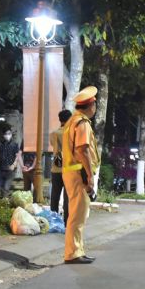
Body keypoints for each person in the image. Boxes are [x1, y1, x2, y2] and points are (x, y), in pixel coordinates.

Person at [61, 86, 100, 264]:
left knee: (77, 213)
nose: (95, 108)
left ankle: (77, 250)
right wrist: (90, 176)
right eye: (95, 105)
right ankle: (73, 253)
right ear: (90, 105)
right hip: (79, 171)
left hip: (71, 171)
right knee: (78, 215)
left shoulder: (71, 121)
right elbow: (82, 150)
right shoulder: (82, 123)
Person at [49, 109, 72, 223]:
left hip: (56, 168)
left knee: (55, 195)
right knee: (67, 197)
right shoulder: (71, 133)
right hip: (68, 169)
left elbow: (53, 145)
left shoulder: (53, 133)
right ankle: (67, 222)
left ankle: (54, 220)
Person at [0, 129, 21, 197]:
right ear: (3, 135)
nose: (7, 135)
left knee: (5, 188)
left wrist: (14, 164)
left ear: (11, 134)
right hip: (1, 170)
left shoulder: (15, 145)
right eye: (6, 134)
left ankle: (5, 201)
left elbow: (17, 156)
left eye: (9, 133)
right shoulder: (0, 144)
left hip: (10, 170)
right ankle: (5, 198)